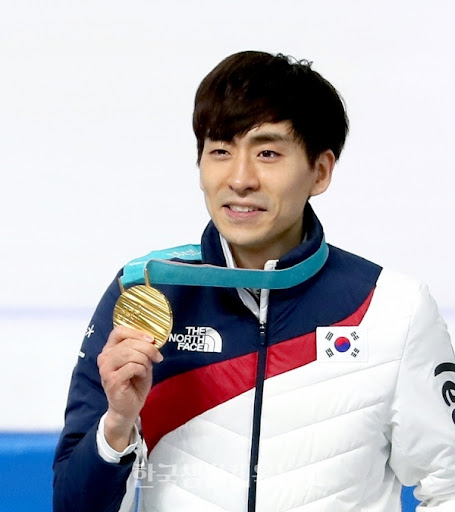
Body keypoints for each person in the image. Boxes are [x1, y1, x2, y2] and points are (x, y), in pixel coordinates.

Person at [53, 51, 455, 512]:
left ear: (320, 171)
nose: (240, 179)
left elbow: (448, 487)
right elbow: (72, 504)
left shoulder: (392, 308)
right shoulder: (146, 293)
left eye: (267, 153)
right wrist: (118, 424)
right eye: (220, 151)